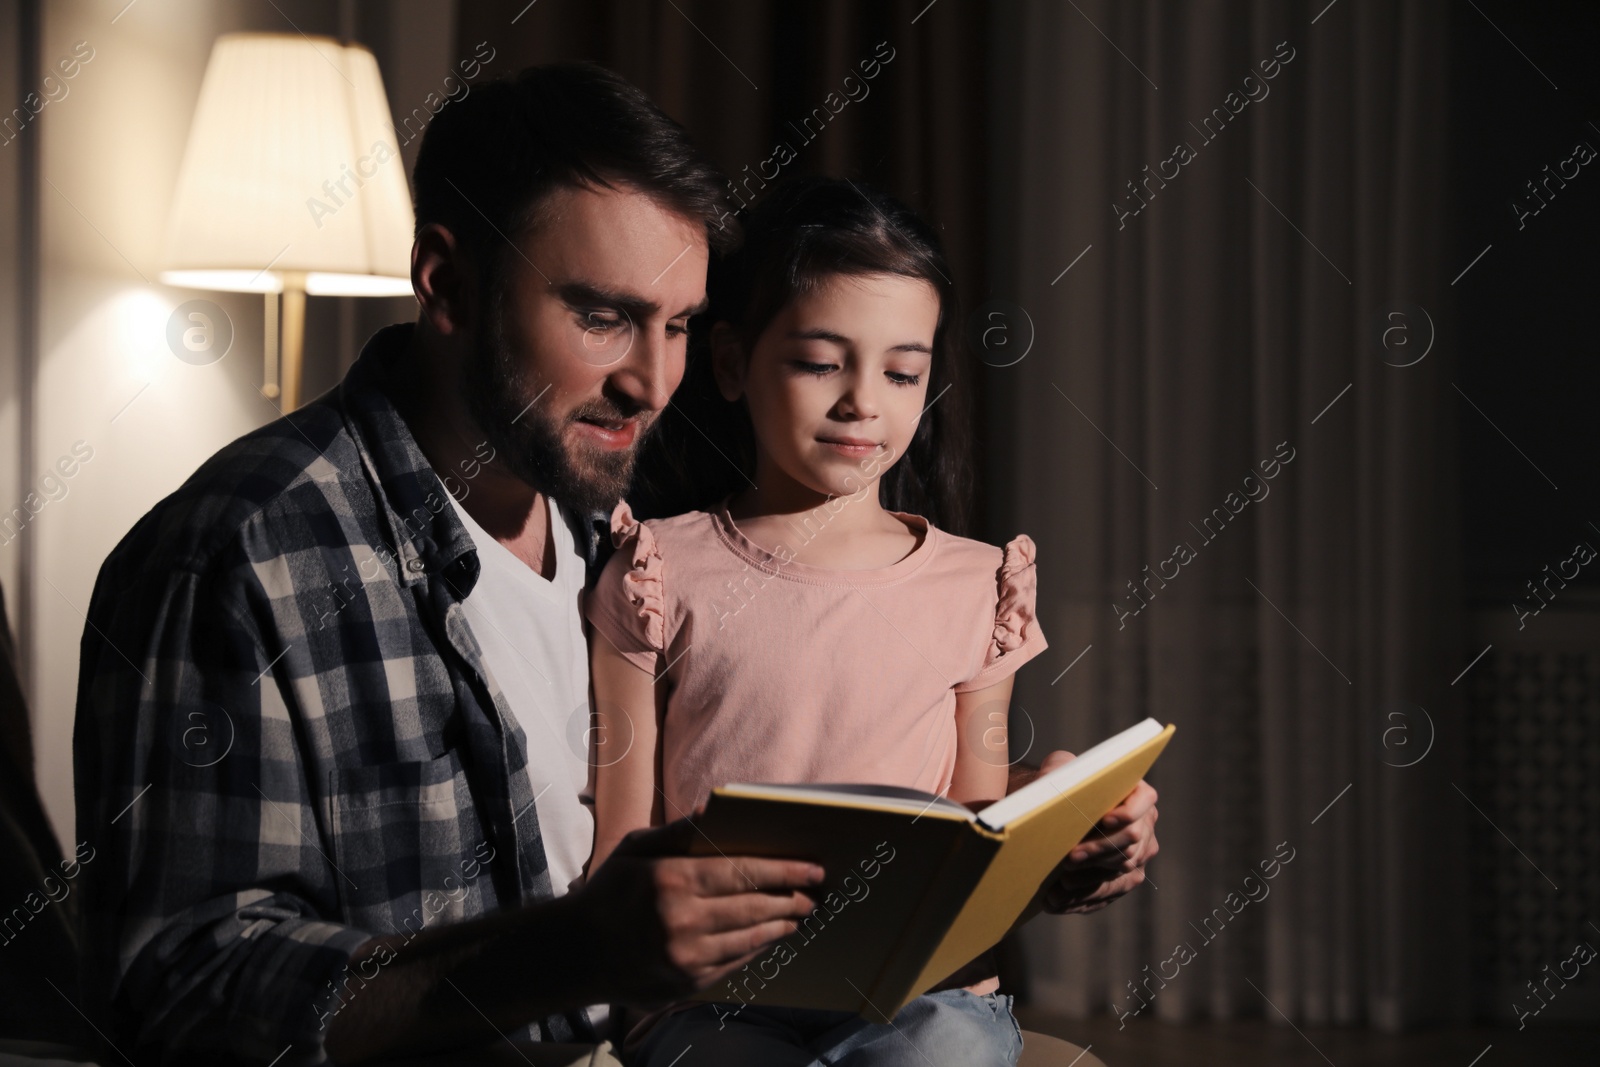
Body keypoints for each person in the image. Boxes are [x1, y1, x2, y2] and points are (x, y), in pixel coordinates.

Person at [71, 62, 1156, 1066]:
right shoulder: (244, 557)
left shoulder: (615, 532)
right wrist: (571, 951)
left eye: (679, 325)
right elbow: (180, 992)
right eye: (601, 316)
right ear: (448, 282)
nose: (652, 381)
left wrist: (1035, 830)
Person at [582, 177, 1144, 1067]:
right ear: (731, 363)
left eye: (902, 371)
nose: (862, 402)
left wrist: (1066, 820)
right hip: (715, 998)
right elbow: (619, 844)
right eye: (818, 362)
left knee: (937, 1053)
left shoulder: (977, 583)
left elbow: (976, 825)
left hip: (922, 994)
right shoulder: (659, 568)